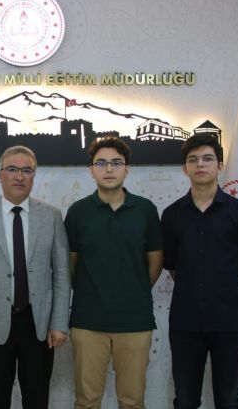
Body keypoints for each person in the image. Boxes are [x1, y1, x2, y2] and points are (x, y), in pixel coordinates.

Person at [0, 145, 71, 409]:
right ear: (0, 175)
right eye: (12, 169)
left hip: (39, 325)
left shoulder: (52, 216)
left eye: (26, 170)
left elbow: (61, 274)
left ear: (34, 176)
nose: (19, 176)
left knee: (37, 399)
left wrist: (59, 323)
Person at [161, 133, 238, 409]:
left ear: (220, 165)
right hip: (185, 322)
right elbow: (172, 265)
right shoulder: (172, 215)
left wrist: (222, 286)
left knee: (228, 399)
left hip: (228, 321)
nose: (200, 165)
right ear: (185, 169)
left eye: (207, 159)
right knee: (185, 400)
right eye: (193, 160)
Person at [64, 136, 163, 409]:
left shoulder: (145, 210)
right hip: (87, 321)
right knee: (87, 401)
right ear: (91, 170)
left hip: (135, 321)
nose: (109, 169)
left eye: (116, 163)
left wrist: (135, 289)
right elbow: (70, 264)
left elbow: (155, 262)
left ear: (126, 169)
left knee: (132, 401)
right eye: (101, 163)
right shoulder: (78, 212)